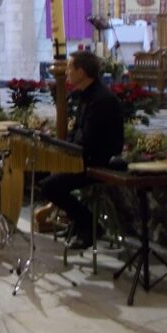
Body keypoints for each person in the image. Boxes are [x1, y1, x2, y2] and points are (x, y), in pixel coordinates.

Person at [41, 51, 125, 250]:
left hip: (99, 161)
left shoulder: (101, 99)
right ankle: (80, 222)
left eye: (70, 68)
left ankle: (88, 225)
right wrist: (61, 147)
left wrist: (69, 150)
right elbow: (77, 131)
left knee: (50, 187)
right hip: (84, 157)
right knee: (45, 175)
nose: (67, 73)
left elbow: (91, 141)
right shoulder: (86, 95)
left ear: (82, 71)